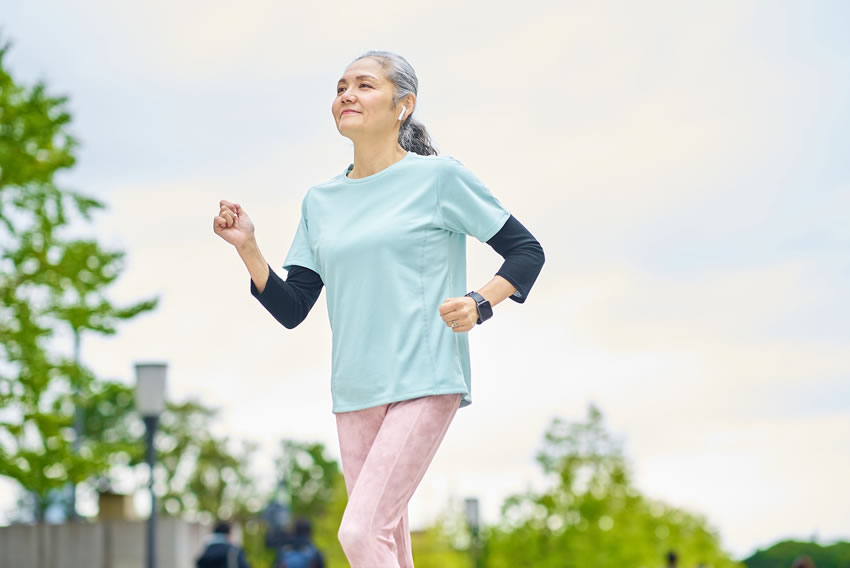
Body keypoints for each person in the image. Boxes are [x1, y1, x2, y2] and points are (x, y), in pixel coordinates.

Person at [213, 50, 545, 568]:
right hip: (354, 392)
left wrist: (481, 302)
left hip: (426, 375)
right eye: (341, 86)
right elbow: (294, 306)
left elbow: (526, 250)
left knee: (361, 533)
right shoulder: (320, 201)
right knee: (385, 540)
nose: (347, 94)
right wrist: (247, 247)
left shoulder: (440, 179)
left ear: (403, 105)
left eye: (364, 85)